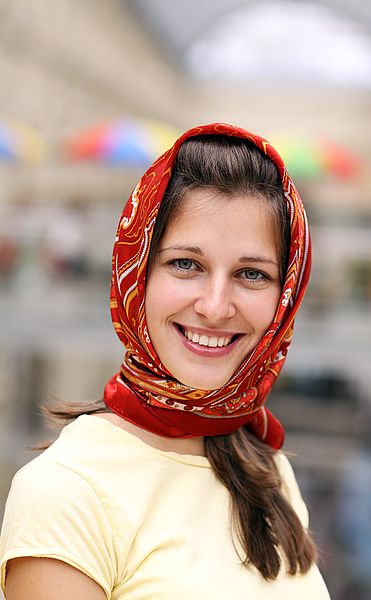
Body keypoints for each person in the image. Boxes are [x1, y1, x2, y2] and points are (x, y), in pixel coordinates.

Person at [0, 123, 331, 599]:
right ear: (137, 273)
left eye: (252, 273)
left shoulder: (265, 462)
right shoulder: (66, 491)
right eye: (185, 264)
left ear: (285, 297)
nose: (216, 306)